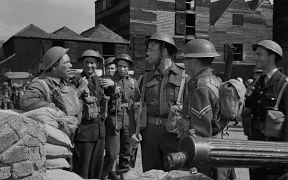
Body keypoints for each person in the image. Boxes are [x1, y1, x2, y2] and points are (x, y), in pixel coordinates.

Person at [129, 33, 184, 172]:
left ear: (164, 52)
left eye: (152, 50)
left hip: (175, 135)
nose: (147, 53)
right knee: (151, 174)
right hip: (150, 136)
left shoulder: (184, 77)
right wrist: (132, 133)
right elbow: (134, 108)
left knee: (175, 175)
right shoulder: (145, 78)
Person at [180, 39, 235, 180]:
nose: (183, 62)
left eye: (185, 58)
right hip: (221, 147)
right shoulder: (216, 80)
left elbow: (202, 133)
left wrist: (194, 162)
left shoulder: (201, 88)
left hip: (209, 154)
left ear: (194, 61)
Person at [245, 40, 288, 180]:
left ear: (271, 57)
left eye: (259, 54)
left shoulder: (285, 84)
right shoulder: (257, 82)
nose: (255, 57)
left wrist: (285, 152)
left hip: (274, 147)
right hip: (255, 143)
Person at [19, 46, 83, 120]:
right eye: (66, 62)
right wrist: (54, 108)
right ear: (54, 67)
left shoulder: (65, 83)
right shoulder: (41, 84)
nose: (70, 65)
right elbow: (25, 101)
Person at [101, 54, 138, 180]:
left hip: (129, 117)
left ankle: (122, 175)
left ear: (129, 68)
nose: (122, 69)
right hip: (113, 118)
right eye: (120, 66)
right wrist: (112, 86)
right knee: (112, 153)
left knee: (127, 152)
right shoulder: (108, 79)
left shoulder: (133, 82)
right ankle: (103, 175)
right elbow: (103, 93)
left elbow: (135, 99)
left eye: (125, 67)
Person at [70, 49, 106, 179]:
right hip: (84, 132)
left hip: (99, 131)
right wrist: (80, 89)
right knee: (82, 169)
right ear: (82, 63)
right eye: (86, 62)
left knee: (96, 168)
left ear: (97, 64)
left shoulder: (99, 80)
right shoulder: (75, 80)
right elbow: (69, 104)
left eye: (92, 63)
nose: (89, 66)